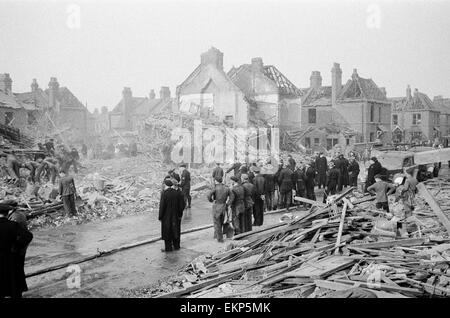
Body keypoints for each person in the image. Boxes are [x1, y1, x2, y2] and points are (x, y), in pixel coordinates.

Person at [0, 204, 33, 298]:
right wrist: (18, 246)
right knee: (13, 280)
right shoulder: (12, 225)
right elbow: (28, 236)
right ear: (7, 213)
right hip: (10, 256)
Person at [159, 179, 185, 252]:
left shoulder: (164, 193)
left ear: (166, 185)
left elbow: (162, 206)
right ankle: (177, 246)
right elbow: (181, 206)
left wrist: (160, 216)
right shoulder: (177, 193)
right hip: (176, 216)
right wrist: (180, 215)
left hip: (166, 217)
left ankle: (168, 248)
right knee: (176, 231)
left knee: (167, 232)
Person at [207, 176, 233, 243]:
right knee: (221, 221)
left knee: (216, 222)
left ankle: (220, 238)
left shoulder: (215, 188)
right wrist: (228, 204)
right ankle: (216, 235)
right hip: (224, 206)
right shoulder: (227, 188)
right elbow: (232, 196)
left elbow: (208, 195)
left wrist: (211, 200)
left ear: (216, 181)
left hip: (217, 206)